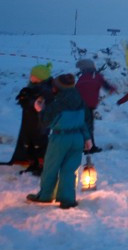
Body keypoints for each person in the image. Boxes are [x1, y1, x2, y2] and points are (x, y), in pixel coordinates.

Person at [26, 73, 91, 209]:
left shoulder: (59, 103)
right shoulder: (79, 99)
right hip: (77, 138)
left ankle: (45, 196)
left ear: (59, 87)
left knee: (51, 167)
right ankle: (67, 200)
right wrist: (87, 138)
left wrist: (40, 110)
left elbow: (46, 122)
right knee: (69, 170)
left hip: (60, 138)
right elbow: (84, 120)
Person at [6, 63, 54, 175]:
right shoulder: (32, 86)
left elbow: (40, 106)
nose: (30, 76)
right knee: (28, 144)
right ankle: (32, 163)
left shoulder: (46, 90)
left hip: (40, 124)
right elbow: (28, 102)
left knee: (39, 144)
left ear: (40, 77)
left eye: (33, 75)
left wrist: (29, 100)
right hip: (29, 122)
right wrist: (23, 97)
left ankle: (42, 165)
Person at [75, 58, 116, 152]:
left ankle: (84, 146)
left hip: (79, 105)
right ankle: (90, 148)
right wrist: (112, 89)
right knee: (89, 127)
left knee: (84, 126)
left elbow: (75, 90)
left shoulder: (82, 78)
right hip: (88, 105)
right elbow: (106, 86)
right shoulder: (96, 76)